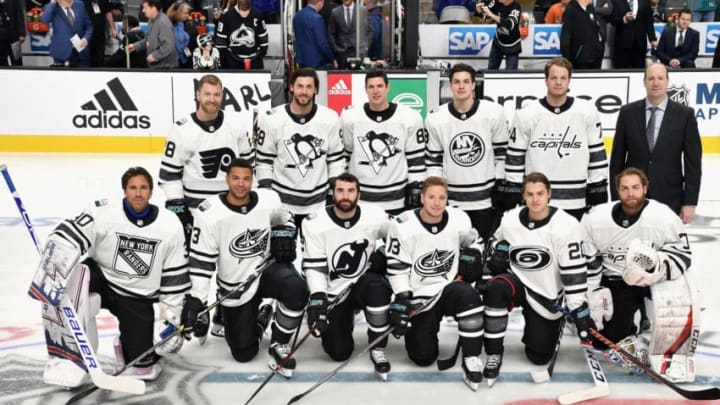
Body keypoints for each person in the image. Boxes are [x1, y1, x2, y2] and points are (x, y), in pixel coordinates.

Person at [36, 167, 190, 387]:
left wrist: (172, 320)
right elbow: (72, 230)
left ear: (151, 191)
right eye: (133, 188)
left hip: (138, 296)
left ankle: (127, 346)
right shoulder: (104, 212)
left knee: (142, 365)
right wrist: (58, 249)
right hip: (102, 278)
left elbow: (174, 278)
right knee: (73, 280)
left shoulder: (169, 224)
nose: (138, 193)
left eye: (143, 188)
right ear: (124, 191)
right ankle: (70, 355)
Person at [183, 158, 309, 378]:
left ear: (252, 180)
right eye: (235, 178)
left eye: (246, 178)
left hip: (267, 271)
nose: (241, 184)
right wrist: (197, 299)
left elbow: (285, 217)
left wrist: (285, 232)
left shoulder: (268, 200)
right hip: (236, 284)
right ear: (227, 179)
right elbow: (202, 262)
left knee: (296, 288)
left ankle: (279, 342)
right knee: (243, 352)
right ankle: (262, 317)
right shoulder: (209, 213)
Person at [581, 167, 697, 382]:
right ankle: (641, 334)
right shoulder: (596, 219)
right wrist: (592, 290)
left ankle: (662, 345)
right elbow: (587, 258)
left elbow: (683, 255)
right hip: (614, 280)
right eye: (624, 188)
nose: (630, 193)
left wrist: (656, 269)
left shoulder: (662, 216)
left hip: (654, 282)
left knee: (677, 304)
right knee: (603, 342)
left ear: (645, 188)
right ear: (617, 191)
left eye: (635, 187)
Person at [481, 172, 595, 385]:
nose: (535, 199)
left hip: (546, 294)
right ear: (523, 196)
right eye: (530, 194)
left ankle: (544, 326)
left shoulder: (566, 225)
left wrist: (578, 307)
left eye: (540, 193)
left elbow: (574, 270)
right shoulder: (511, 218)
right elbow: (496, 242)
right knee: (495, 288)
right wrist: (497, 253)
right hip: (517, 281)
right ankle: (494, 353)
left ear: (549, 194)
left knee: (539, 356)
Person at [385, 176, 486, 390]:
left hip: (448, 288)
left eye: (442, 197)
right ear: (421, 198)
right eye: (431, 197)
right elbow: (396, 266)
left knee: (469, 295)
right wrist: (403, 296)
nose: (437, 202)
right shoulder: (402, 224)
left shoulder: (459, 220)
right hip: (420, 296)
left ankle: (471, 357)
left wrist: (474, 255)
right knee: (422, 357)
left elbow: (476, 241)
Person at [301, 172, 393, 379]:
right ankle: (344, 316)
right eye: (340, 190)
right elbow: (315, 267)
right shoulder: (315, 222)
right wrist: (318, 299)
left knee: (377, 287)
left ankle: (378, 346)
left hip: (362, 283)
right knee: (339, 352)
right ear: (332, 194)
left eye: (351, 191)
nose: (345, 196)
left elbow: (400, 236)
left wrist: (385, 254)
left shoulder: (375, 216)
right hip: (335, 292)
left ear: (358, 195)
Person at [506, 58, 608, 221]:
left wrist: (598, 186)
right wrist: (515, 189)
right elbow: (515, 157)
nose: (558, 82)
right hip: (538, 201)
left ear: (569, 80)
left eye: (563, 78)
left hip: (576, 201)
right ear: (546, 80)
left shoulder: (586, 111)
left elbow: (597, 153)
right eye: (554, 78)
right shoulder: (527, 114)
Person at [425, 63, 509, 239]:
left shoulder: (493, 112)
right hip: (452, 203)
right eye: (456, 82)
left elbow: (502, 154)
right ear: (450, 85)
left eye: (465, 81)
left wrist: (500, 183)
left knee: (480, 257)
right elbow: (434, 161)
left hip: (484, 201)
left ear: (473, 84)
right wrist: (438, 194)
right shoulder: (435, 118)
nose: (461, 86)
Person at [609, 63, 701, 224]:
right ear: (644, 82)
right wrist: (617, 197)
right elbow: (617, 160)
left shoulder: (685, 115)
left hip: (670, 197)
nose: (656, 83)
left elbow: (693, 164)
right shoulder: (627, 113)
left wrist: (690, 202)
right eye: (651, 78)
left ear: (667, 81)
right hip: (632, 197)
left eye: (660, 78)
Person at [255, 67, 345, 228]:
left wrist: (333, 195)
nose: (304, 91)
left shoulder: (329, 118)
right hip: (281, 203)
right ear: (291, 87)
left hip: (319, 202)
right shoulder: (272, 119)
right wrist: (268, 198)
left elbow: (336, 160)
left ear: (316, 89)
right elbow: (263, 162)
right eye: (300, 86)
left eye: (309, 87)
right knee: (283, 252)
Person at [340, 69, 426, 216]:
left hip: (396, 200)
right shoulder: (350, 117)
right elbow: (344, 156)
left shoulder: (410, 117)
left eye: (379, 86)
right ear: (365, 89)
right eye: (371, 87)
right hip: (361, 200)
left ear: (388, 87)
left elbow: (416, 160)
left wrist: (416, 187)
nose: (376, 91)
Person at [214, 0, 268, 69]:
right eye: (242, 13)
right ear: (237, 7)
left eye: (247, 13)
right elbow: (220, 41)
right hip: (232, 61)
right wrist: (227, 58)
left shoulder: (257, 14)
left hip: (255, 60)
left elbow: (264, 38)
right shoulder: (226, 15)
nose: (244, 16)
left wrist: (259, 56)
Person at [42, 0, 94, 66]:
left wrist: (86, 38)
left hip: (80, 51)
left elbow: (89, 26)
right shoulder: (52, 7)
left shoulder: (79, 4)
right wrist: (53, 2)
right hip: (61, 53)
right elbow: (44, 19)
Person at [128, 0, 178, 68]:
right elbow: (148, 39)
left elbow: (169, 45)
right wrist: (135, 46)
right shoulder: (151, 21)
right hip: (156, 66)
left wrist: (155, 55)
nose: (143, 10)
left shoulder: (163, 23)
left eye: (145, 8)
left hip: (165, 68)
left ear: (153, 8)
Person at [609, 0, 656, 68]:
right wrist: (624, 19)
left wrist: (652, 39)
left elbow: (649, 22)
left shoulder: (645, 2)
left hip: (640, 45)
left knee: (638, 73)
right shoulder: (617, 1)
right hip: (622, 45)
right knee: (622, 71)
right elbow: (613, 20)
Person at [476, 0, 521, 70]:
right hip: (498, 42)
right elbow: (487, 19)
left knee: (511, 74)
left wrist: (491, 14)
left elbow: (510, 24)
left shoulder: (516, 7)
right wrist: (480, 12)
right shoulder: (496, 2)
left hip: (512, 45)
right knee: (491, 69)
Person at [560, 0, 604, 69]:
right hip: (579, 61)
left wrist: (599, 51)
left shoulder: (590, 9)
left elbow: (597, 31)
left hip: (595, 59)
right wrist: (567, 61)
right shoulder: (571, 10)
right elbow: (565, 37)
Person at [293, 0, 337, 68]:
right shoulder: (317, 18)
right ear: (320, 2)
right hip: (316, 62)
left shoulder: (297, 15)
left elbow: (297, 36)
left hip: (301, 60)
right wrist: (332, 59)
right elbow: (322, 43)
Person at [328, 0, 371, 69]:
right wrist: (336, 48)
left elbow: (370, 30)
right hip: (342, 53)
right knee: (343, 78)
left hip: (359, 52)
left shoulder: (362, 10)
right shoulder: (335, 12)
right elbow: (331, 33)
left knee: (359, 77)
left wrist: (366, 47)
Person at [81, 0, 115, 67]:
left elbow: (108, 12)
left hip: (99, 33)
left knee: (99, 58)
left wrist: (113, 29)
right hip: (84, 34)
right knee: (84, 59)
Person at [0, 0, 26, 66]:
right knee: (1, 60)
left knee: (17, 59)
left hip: (14, 35)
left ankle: (19, 75)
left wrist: (22, 33)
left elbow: (20, 15)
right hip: (1, 36)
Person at [168, 0, 192, 67]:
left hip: (184, 61)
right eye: (185, 13)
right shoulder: (169, 25)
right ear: (177, 13)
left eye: (188, 13)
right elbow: (178, 44)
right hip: (174, 62)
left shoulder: (186, 24)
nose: (187, 15)